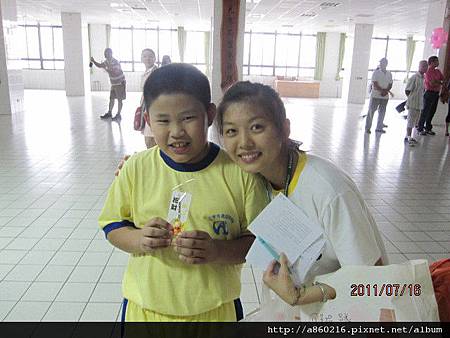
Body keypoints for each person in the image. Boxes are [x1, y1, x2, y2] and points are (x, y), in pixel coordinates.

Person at [98, 64, 267, 321]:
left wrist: (217, 251)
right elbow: (112, 226)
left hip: (215, 313)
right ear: (147, 121)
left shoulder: (240, 173)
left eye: (188, 118)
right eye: (163, 120)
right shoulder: (136, 168)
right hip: (146, 312)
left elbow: (259, 242)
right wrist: (139, 239)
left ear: (210, 115)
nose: (176, 131)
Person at [216, 81, 387, 307]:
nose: (244, 142)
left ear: (284, 128)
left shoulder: (328, 189)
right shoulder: (256, 183)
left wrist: (304, 295)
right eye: (231, 131)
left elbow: (372, 278)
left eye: (256, 127)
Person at [91, 48, 126, 121]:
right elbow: (100, 65)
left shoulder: (115, 62)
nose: (107, 54)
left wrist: (106, 69)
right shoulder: (107, 62)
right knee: (111, 98)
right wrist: (94, 61)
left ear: (111, 53)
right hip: (113, 83)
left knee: (119, 99)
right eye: (106, 53)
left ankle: (118, 115)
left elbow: (115, 72)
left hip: (120, 83)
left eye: (109, 53)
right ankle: (109, 113)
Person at [417, 56, 444, 135]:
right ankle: (420, 128)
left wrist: (437, 81)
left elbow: (443, 80)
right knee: (425, 111)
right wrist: (439, 82)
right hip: (429, 93)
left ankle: (428, 128)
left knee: (432, 111)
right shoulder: (428, 72)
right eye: (436, 61)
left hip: (436, 93)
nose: (438, 63)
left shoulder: (438, 71)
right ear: (432, 62)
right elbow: (431, 83)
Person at [365, 58, 393, 134]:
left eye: (382, 63)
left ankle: (379, 127)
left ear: (386, 64)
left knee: (382, 112)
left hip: (385, 97)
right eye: (380, 63)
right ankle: (367, 128)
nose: (381, 64)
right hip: (375, 95)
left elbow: (390, 84)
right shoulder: (376, 73)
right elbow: (374, 84)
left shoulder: (389, 73)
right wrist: (382, 91)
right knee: (371, 111)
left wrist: (386, 91)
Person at [404, 60, 428, 147]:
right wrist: (411, 99)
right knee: (410, 121)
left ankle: (409, 136)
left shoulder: (423, 78)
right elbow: (407, 90)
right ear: (419, 66)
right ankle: (408, 137)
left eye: (426, 66)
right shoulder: (414, 77)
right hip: (413, 103)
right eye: (424, 66)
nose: (426, 68)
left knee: (415, 121)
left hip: (419, 104)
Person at [140, 49, 158, 148]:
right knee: (149, 139)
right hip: (146, 107)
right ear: (141, 59)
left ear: (155, 58)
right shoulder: (146, 72)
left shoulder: (155, 72)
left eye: (150, 56)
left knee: (151, 140)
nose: (147, 58)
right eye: (145, 56)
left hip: (153, 109)